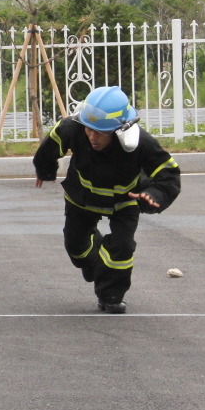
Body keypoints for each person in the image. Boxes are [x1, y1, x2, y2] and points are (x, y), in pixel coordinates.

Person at [32, 86, 181, 314]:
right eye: (89, 129)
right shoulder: (72, 128)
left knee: (123, 248)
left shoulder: (142, 143)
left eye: (100, 132)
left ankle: (111, 296)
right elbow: (50, 147)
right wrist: (45, 170)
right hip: (81, 198)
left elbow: (169, 175)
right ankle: (96, 266)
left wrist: (153, 195)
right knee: (76, 248)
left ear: (121, 128)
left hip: (124, 202)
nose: (92, 137)